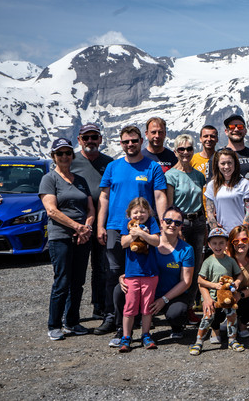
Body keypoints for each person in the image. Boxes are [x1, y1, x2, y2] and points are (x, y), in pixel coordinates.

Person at [95, 125, 167, 336]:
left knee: (143, 274)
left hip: (145, 229)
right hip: (116, 227)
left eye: (134, 141)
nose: (130, 144)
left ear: (140, 141)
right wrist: (100, 225)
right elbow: (104, 197)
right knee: (114, 275)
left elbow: (160, 196)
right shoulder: (113, 167)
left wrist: (162, 223)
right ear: (121, 143)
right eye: (126, 141)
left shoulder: (152, 167)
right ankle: (113, 318)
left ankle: (141, 316)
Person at [40, 138, 95, 340]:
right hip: (61, 236)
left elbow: (90, 208)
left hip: (82, 236)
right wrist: (77, 227)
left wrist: (87, 227)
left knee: (78, 281)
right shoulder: (49, 179)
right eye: (60, 153)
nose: (64, 157)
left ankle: (72, 321)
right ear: (53, 156)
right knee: (62, 281)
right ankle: (54, 324)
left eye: (67, 153)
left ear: (72, 155)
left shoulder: (80, 180)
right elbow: (52, 210)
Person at [114, 206, 194, 340]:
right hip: (145, 289)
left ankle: (177, 326)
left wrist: (164, 299)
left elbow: (186, 282)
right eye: (168, 221)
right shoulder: (149, 240)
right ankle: (123, 330)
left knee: (177, 312)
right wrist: (124, 276)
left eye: (177, 223)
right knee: (119, 291)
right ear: (161, 222)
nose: (172, 225)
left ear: (181, 226)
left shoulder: (186, 249)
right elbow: (134, 262)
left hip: (170, 296)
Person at [70, 123, 113, 319]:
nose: (90, 141)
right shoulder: (70, 161)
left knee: (102, 267)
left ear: (100, 139)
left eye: (94, 137)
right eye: (85, 138)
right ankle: (71, 314)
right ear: (79, 140)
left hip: (102, 224)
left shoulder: (109, 163)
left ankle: (100, 306)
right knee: (75, 270)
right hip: (78, 225)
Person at [165, 133, 207, 321]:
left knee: (196, 265)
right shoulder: (170, 175)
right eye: (181, 149)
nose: (185, 152)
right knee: (180, 266)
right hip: (180, 224)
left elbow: (203, 201)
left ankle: (189, 306)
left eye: (189, 148)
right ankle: (176, 307)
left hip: (198, 222)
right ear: (175, 151)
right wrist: (177, 226)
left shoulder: (199, 176)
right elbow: (170, 204)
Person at [190, 227, 246, 355]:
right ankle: (199, 341)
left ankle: (232, 340)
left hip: (227, 296)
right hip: (212, 297)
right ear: (209, 245)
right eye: (214, 243)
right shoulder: (208, 261)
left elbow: (240, 275)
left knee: (232, 315)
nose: (218, 246)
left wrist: (237, 282)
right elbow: (200, 280)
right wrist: (214, 286)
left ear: (227, 244)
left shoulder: (230, 261)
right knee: (207, 317)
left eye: (221, 242)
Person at [118, 198, 161, 352]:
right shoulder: (127, 224)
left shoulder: (152, 223)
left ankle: (146, 334)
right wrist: (135, 234)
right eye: (135, 212)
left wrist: (142, 232)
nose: (139, 214)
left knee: (147, 307)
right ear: (129, 214)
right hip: (132, 273)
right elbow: (123, 243)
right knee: (129, 306)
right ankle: (126, 336)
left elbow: (156, 241)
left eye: (143, 211)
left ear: (149, 212)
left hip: (150, 273)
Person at [204, 148, 249, 234]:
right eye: (223, 163)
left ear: (235, 164)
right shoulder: (212, 185)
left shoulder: (245, 183)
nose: (226, 167)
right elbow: (210, 212)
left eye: (229, 163)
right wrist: (216, 229)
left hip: (242, 234)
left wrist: (242, 232)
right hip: (223, 234)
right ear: (218, 165)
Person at [224, 114, 249, 182]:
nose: (236, 129)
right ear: (226, 131)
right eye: (232, 127)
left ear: (245, 131)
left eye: (240, 127)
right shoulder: (217, 157)